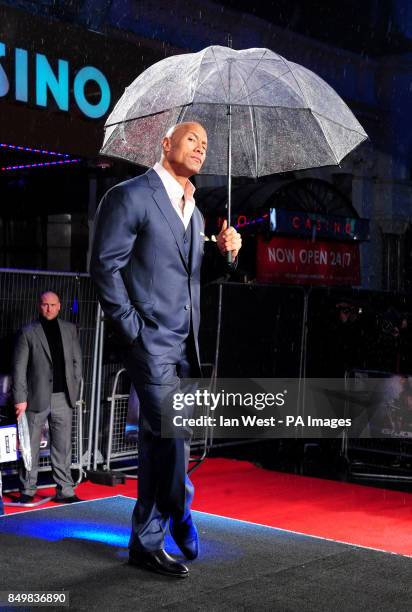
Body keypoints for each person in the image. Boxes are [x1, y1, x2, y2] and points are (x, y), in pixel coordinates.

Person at [90, 121, 241, 578]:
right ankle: (180, 510)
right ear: (166, 144)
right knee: (174, 434)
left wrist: (225, 256)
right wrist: (133, 329)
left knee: (160, 442)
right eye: (192, 139)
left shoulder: (194, 214)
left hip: (184, 346)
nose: (201, 147)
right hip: (149, 342)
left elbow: (193, 278)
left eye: (206, 144)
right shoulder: (130, 195)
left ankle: (145, 541)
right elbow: (104, 268)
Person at [12, 291, 83, 504]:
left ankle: (65, 491)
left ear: (60, 306)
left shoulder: (70, 330)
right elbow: (19, 368)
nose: (49, 308)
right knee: (30, 446)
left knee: (62, 446)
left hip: (64, 397)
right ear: (39, 306)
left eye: (53, 305)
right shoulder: (28, 332)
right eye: (45, 305)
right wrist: (20, 398)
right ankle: (27, 488)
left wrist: (75, 391)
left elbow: (77, 362)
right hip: (35, 398)